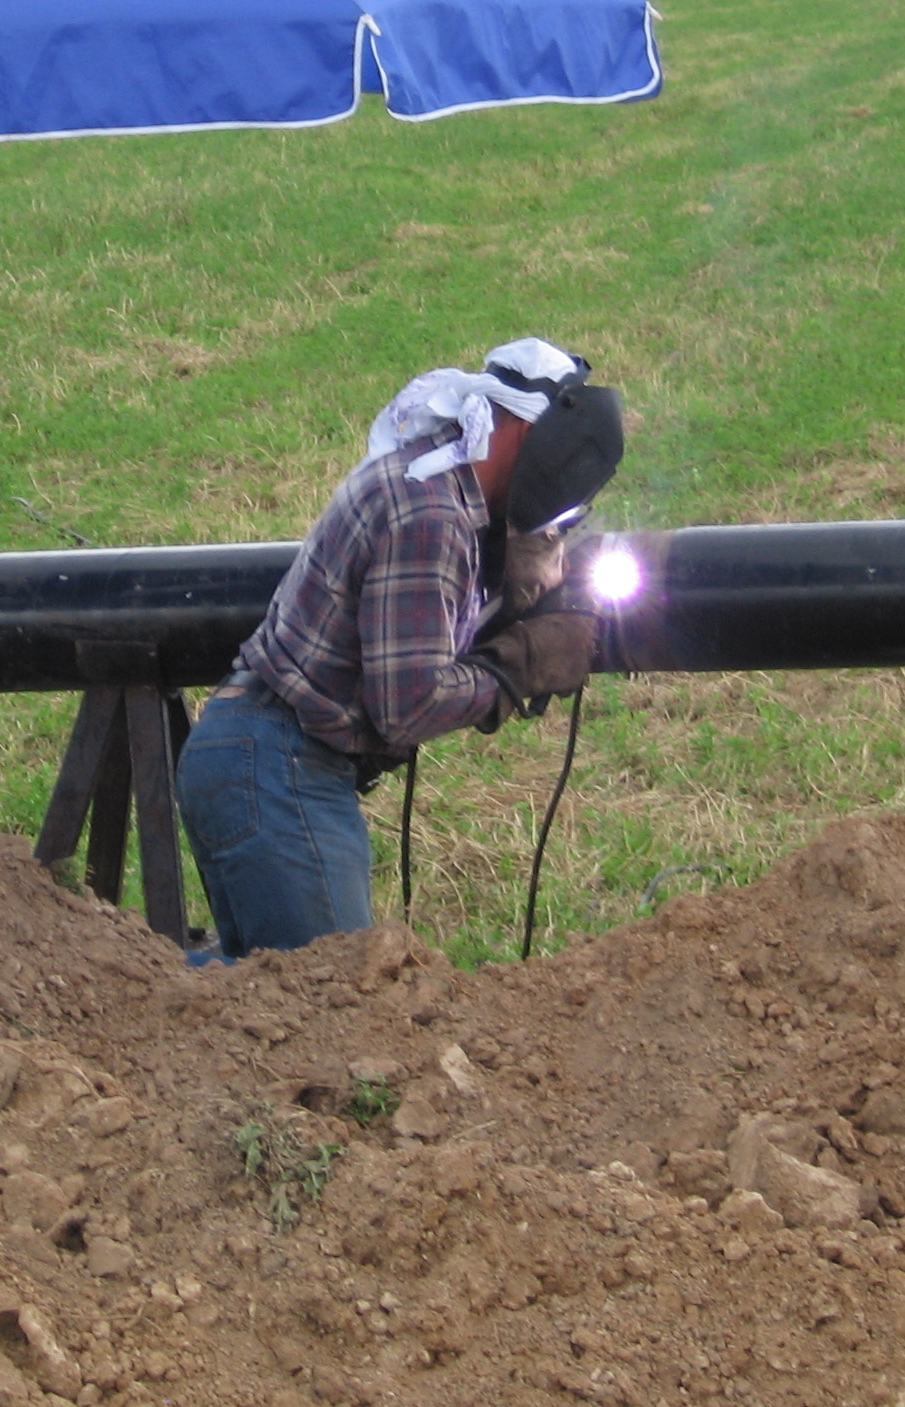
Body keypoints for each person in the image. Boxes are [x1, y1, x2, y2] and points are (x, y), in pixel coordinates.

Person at [176, 338, 626, 958]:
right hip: (279, 766)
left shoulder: (436, 482)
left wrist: (509, 595)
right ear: (531, 434)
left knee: (262, 996)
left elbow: (413, 634)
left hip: (257, 756)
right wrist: (520, 663)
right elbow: (408, 705)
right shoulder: (431, 515)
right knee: (333, 992)